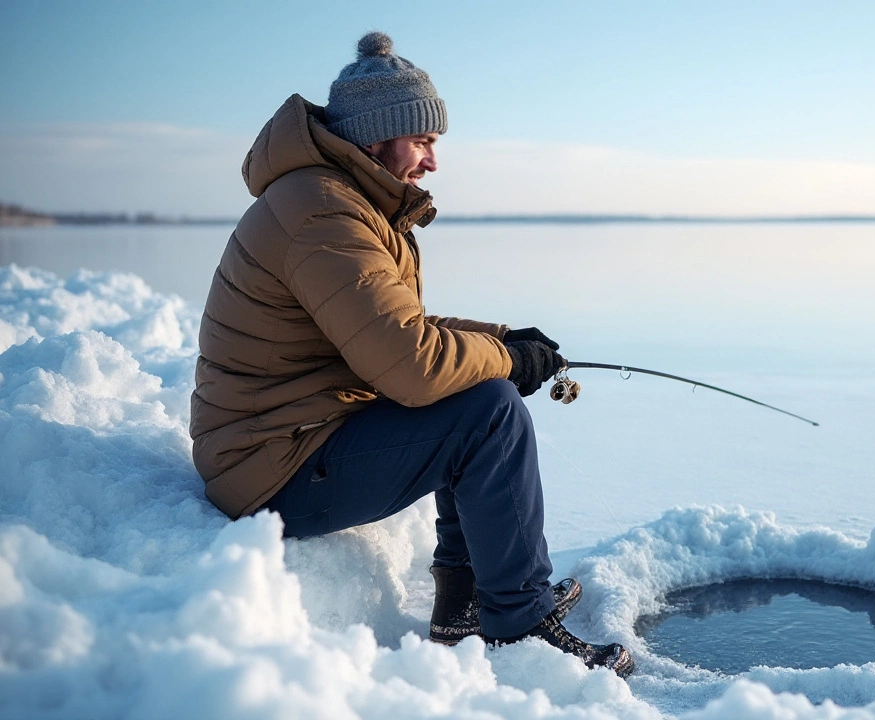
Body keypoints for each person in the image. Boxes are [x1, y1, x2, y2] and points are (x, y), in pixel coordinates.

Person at [188, 31, 633, 678]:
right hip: (270, 469)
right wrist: (507, 362)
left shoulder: (337, 201)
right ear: (376, 139)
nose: (431, 162)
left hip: (282, 440)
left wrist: (505, 339)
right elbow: (414, 365)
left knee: (474, 394)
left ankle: (467, 600)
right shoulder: (323, 217)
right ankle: (520, 620)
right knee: (487, 412)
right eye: (422, 142)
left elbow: (400, 327)